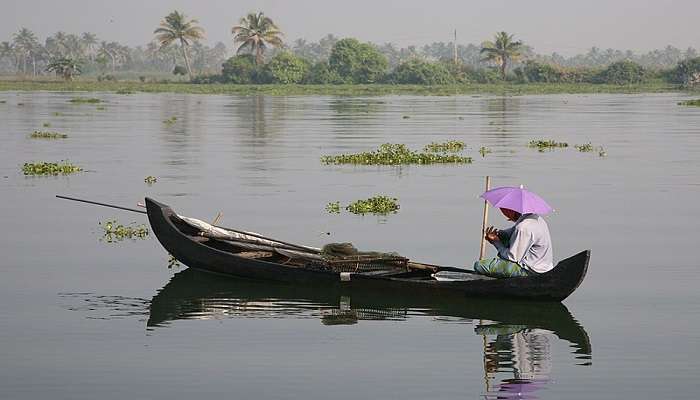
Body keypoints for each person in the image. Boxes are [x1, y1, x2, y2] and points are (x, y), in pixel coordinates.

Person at [474, 207, 554, 278]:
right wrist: (498, 234)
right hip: (544, 267)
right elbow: (510, 233)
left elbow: (512, 258)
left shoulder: (523, 227)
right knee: (507, 242)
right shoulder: (536, 218)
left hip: (530, 271)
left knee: (479, 265)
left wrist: (496, 243)